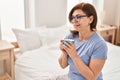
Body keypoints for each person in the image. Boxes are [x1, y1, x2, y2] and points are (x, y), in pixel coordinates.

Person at [58, 2, 107, 80]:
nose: (74, 21)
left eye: (79, 17)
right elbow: (63, 65)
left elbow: (92, 77)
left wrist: (74, 56)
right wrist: (64, 52)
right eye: (72, 17)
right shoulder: (70, 37)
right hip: (70, 77)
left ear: (90, 19)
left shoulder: (99, 44)